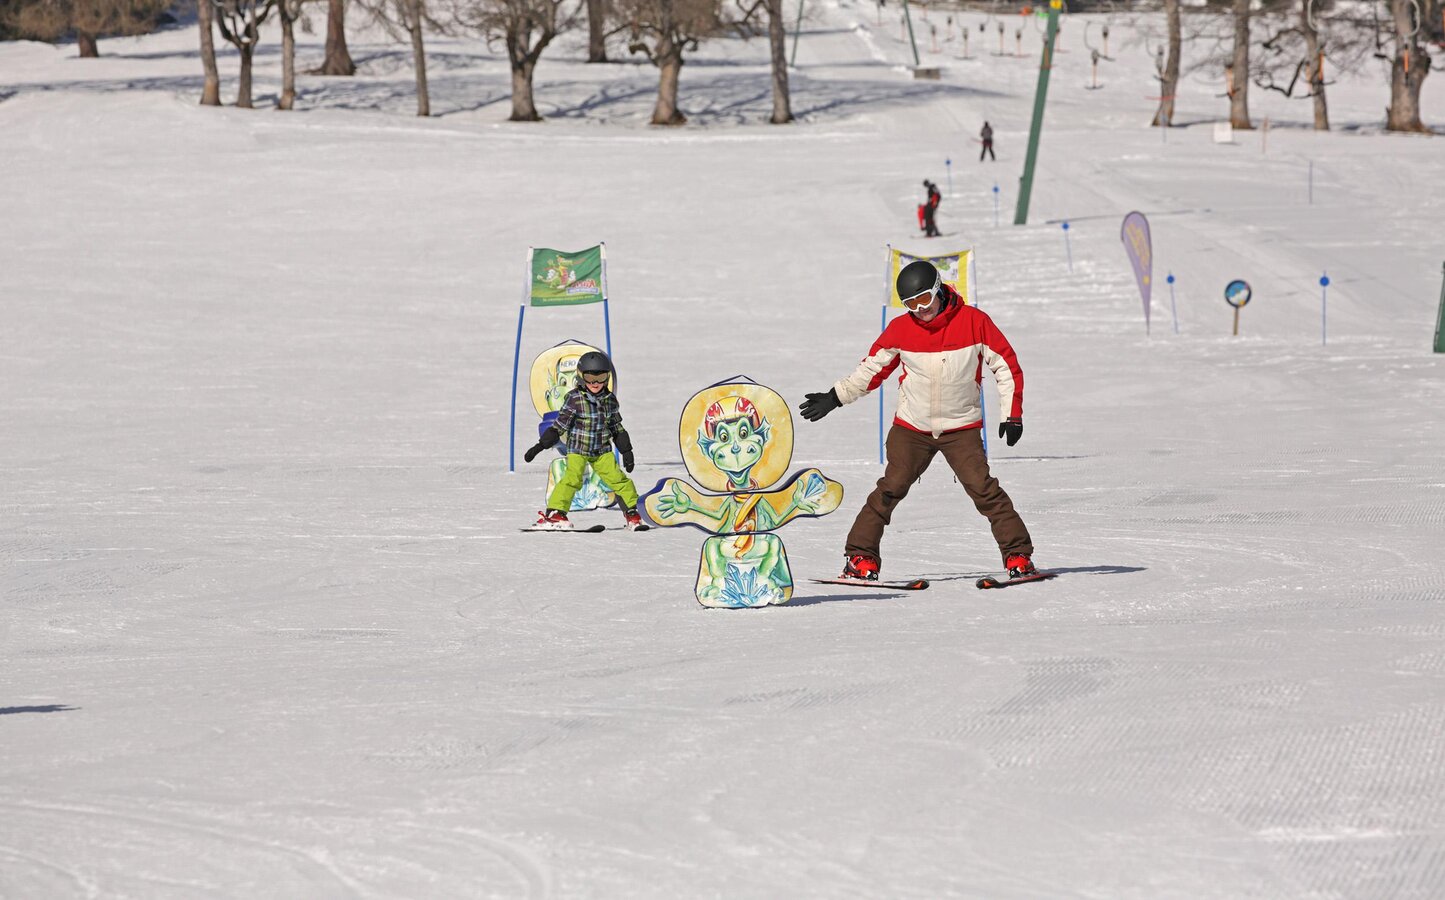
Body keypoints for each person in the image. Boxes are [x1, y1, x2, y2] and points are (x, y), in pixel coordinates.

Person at [797, 259, 1036, 581]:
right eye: (911, 304)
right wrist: (835, 397)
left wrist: (1012, 414)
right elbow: (872, 369)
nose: (921, 309)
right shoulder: (901, 329)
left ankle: (1018, 556)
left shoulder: (974, 322)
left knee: (984, 489)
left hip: (961, 427)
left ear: (939, 290)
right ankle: (860, 558)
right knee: (890, 488)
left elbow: (1006, 366)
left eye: (924, 299)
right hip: (911, 428)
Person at [523, 350, 644, 531]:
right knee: (572, 478)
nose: (595, 383)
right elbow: (559, 426)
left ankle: (632, 513)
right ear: (581, 377)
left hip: (601, 451)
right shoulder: (574, 399)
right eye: (590, 378)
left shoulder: (610, 400)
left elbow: (616, 427)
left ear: (607, 377)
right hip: (578, 449)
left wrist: (627, 451)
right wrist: (540, 446)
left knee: (618, 479)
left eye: (600, 378)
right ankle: (555, 513)